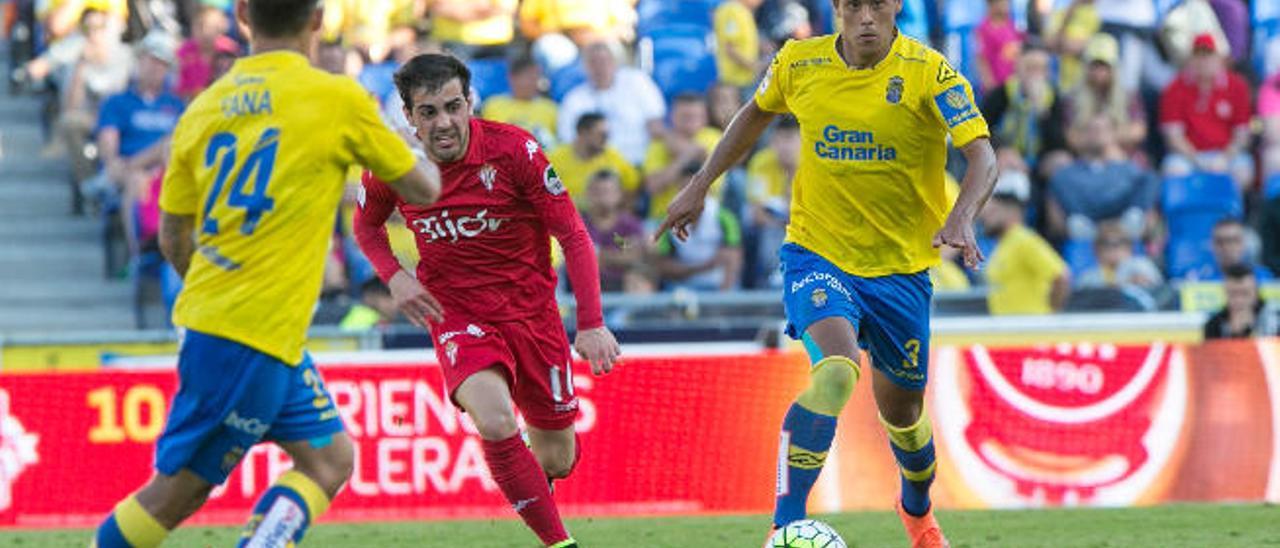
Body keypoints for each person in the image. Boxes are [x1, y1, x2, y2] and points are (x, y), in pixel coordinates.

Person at [91, 1, 441, 546]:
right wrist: (406, 137)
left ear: (244, 17)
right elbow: (424, 190)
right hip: (247, 335)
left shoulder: (204, 109)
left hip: (248, 327)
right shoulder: (337, 98)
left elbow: (171, 238)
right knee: (173, 495)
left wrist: (219, 292)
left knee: (329, 460)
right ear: (319, 20)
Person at [656, 0, 998, 545]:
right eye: (853, 5)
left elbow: (982, 155)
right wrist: (702, 182)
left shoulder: (930, 72)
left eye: (877, 6)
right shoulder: (798, 62)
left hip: (900, 271)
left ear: (897, 8)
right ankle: (785, 525)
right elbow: (755, 113)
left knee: (906, 420)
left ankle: (918, 512)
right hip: (818, 253)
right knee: (837, 370)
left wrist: (962, 216)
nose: (866, 17)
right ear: (837, 9)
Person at [353, 54, 619, 548]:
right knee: (495, 420)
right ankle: (560, 543)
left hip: (532, 314)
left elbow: (574, 235)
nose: (444, 122)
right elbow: (366, 226)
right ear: (409, 117)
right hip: (456, 312)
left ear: (469, 102)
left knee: (558, 458)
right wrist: (395, 276)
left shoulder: (515, 149)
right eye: (428, 112)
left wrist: (592, 323)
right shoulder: (394, 162)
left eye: (453, 106)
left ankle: (531, 492)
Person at [1159, 33, 1253, 190]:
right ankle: (1186, 213)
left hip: (1227, 155)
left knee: (1242, 171)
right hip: (1188, 156)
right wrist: (1197, 159)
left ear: (1219, 58)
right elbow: (1174, 135)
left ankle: (1232, 212)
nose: (1203, 61)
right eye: (1198, 56)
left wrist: (1224, 158)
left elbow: (1242, 134)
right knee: (1174, 169)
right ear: (1190, 59)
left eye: (1208, 55)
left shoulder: (1237, 87)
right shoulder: (1175, 88)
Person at [1046, 114, 1157, 243]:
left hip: (1123, 222)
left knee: (1149, 179)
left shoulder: (1131, 169)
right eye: (1092, 130)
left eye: (1103, 130)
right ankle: (1085, 231)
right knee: (1059, 179)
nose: (1098, 134)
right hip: (1084, 221)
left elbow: (1150, 215)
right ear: (1081, 135)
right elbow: (1055, 224)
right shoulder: (1065, 174)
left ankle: (1126, 229)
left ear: (1113, 134)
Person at [556, 41, 666, 165]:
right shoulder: (573, 99)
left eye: (603, 61)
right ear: (584, 68)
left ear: (615, 62)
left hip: (639, 162)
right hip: (595, 168)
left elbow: (656, 124)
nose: (599, 68)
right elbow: (569, 141)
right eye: (593, 63)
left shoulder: (637, 81)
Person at [980, 182, 1071, 315]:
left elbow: (1061, 276)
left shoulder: (1024, 240)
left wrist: (1051, 314)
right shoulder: (1004, 244)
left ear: (1013, 211)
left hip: (1029, 329)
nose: (985, 218)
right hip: (1008, 330)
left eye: (992, 211)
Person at [643, 93, 723, 220]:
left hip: (704, 217)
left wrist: (671, 141)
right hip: (664, 218)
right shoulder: (658, 144)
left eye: (694, 117)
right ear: (673, 117)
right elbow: (652, 187)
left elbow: (714, 187)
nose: (689, 122)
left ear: (705, 118)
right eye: (685, 117)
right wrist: (687, 155)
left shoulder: (715, 138)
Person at [547, 112, 640, 206]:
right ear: (583, 133)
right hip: (566, 215)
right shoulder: (555, 159)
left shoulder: (612, 156)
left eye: (607, 135)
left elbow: (632, 185)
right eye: (602, 135)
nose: (606, 139)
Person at [581, 170, 649, 293]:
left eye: (607, 192)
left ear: (619, 194)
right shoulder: (578, 225)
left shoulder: (630, 225)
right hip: (585, 287)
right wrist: (616, 257)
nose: (602, 197)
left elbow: (634, 257)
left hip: (623, 286)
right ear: (587, 194)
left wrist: (598, 255)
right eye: (597, 192)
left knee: (638, 281)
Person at [481, 55, 559, 147]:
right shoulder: (492, 105)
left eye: (536, 77)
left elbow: (556, 145)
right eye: (529, 78)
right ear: (512, 78)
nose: (534, 83)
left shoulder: (551, 108)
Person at [1203, 264, 1280, 339]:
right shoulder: (1214, 325)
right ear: (1225, 293)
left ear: (1256, 292)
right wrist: (1235, 333)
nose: (1239, 300)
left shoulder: (1276, 318)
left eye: (1245, 293)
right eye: (1233, 294)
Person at [1187, 218, 1276, 282]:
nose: (1226, 247)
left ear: (1243, 244)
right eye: (1220, 241)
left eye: (1233, 241)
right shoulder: (1198, 279)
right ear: (1212, 245)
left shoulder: (1263, 278)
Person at [975, 0, 1022, 94]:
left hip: (1012, 86)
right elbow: (981, 59)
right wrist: (990, 85)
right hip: (996, 87)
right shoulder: (984, 29)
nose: (1006, 6)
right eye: (1002, 3)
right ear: (992, 4)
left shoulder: (1011, 24)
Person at [713, 0, 763, 90]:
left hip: (745, 79)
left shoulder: (743, 11)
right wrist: (755, 67)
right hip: (735, 81)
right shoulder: (732, 11)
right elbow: (730, 48)